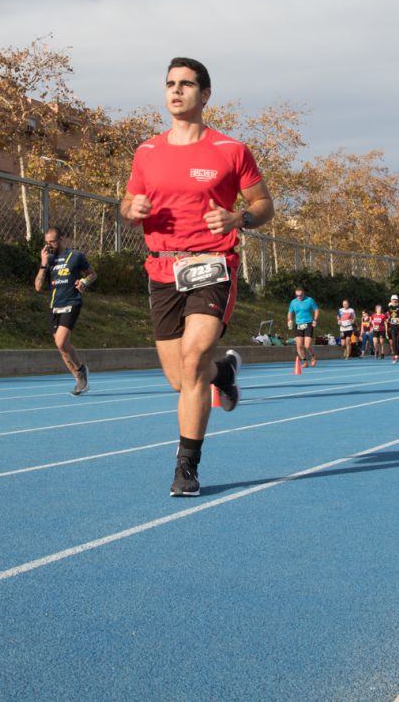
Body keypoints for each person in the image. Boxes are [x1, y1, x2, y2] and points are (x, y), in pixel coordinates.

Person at [121, 56, 274, 498]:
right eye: (170, 83)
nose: (176, 90)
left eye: (186, 84)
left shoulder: (230, 150)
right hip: (161, 266)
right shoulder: (147, 151)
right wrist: (131, 209)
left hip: (212, 263)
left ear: (205, 95)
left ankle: (186, 466)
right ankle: (222, 373)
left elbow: (264, 204)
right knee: (180, 378)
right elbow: (127, 204)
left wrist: (239, 217)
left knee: (192, 361)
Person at [34, 227, 96, 395]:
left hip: (72, 302)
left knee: (61, 342)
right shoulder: (49, 261)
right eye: (46, 243)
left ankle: (81, 371)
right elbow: (38, 287)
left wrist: (84, 282)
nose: (49, 246)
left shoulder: (75, 256)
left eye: (52, 242)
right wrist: (43, 263)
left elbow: (92, 274)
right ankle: (80, 377)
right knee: (62, 347)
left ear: (61, 239)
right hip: (55, 306)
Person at [288, 287, 319, 367]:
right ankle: (304, 361)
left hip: (308, 323)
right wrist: (290, 320)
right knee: (298, 346)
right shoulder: (293, 302)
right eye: (297, 295)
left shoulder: (309, 300)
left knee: (307, 345)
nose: (299, 297)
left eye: (300, 295)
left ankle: (313, 357)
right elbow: (290, 313)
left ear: (303, 294)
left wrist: (315, 320)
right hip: (298, 324)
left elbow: (316, 310)